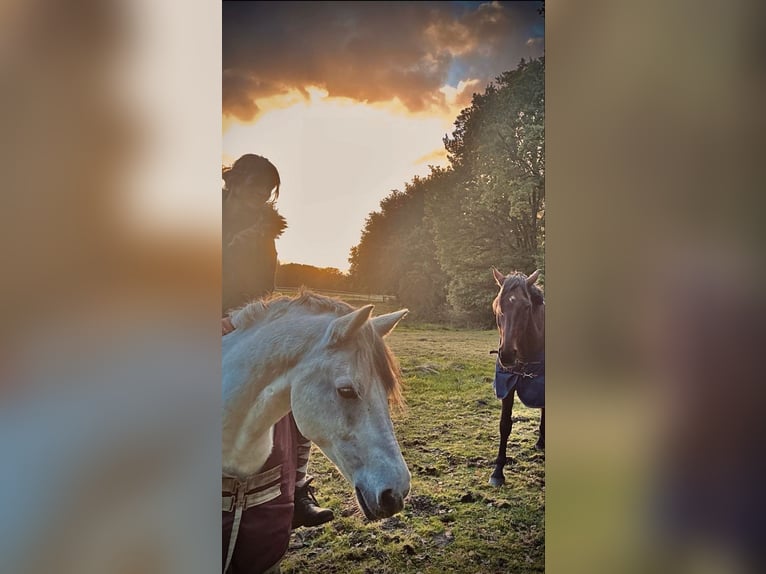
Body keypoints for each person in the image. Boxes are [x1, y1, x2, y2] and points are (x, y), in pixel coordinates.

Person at [222, 154, 333, 574]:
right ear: (235, 183)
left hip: (241, 325)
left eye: (267, 193)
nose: (261, 199)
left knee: (291, 393)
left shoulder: (264, 236)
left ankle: (298, 487)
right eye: (255, 189)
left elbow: (262, 290)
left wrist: (240, 322)